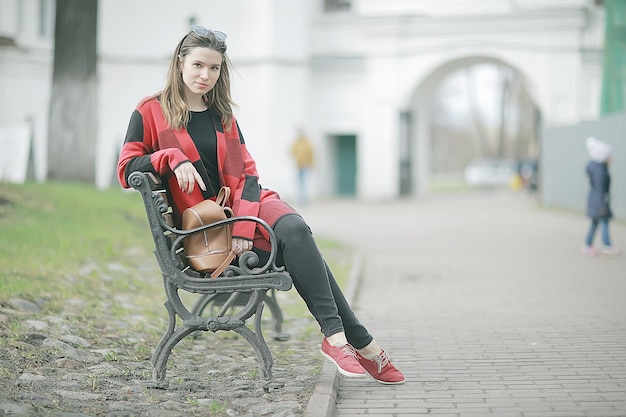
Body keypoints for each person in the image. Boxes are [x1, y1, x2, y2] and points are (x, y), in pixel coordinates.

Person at [117, 26, 405, 385]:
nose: (206, 75)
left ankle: (336, 340)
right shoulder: (150, 112)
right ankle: (360, 342)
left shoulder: (222, 114)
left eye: (215, 68)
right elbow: (127, 169)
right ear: (180, 63)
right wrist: (169, 156)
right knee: (300, 248)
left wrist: (243, 228)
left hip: (244, 207)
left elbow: (248, 176)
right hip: (206, 230)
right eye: (198, 65)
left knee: (297, 230)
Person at [581, 136, 621, 258]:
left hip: (595, 201)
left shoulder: (599, 169)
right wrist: (602, 205)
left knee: (595, 223)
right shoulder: (600, 171)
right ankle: (607, 246)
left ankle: (587, 245)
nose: (610, 158)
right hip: (599, 202)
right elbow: (600, 189)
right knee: (603, 221)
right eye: (609, 155)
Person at [290, 128, 314, 205]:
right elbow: (292, 151)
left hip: (306, 166)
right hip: (299, 165)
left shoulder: (307, 143)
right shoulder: (297, 143)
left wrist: (311, 164)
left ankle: (305, 199)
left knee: (305, 183)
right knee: (299, 183)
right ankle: (300, 199)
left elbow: (311, 154)